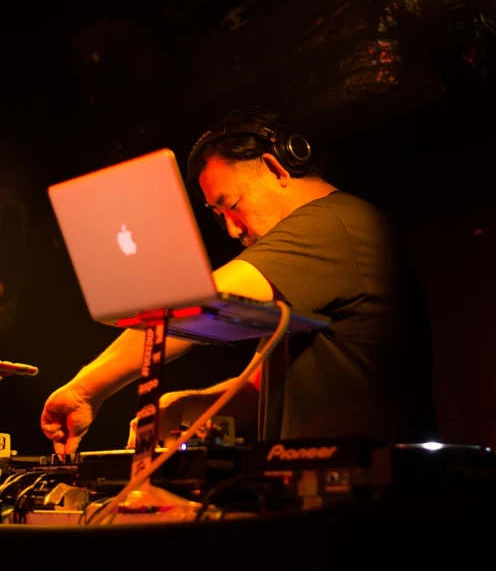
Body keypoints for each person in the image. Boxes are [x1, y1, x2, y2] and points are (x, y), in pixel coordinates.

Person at [41, 106, 436, 454]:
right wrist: (189, 405)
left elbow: (196, 305)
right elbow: (263, 390)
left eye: (230, 205)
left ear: (275, 167)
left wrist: (84, 390)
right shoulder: (313, 264)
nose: (232, 230)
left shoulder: (332, 224)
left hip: (364, 501)